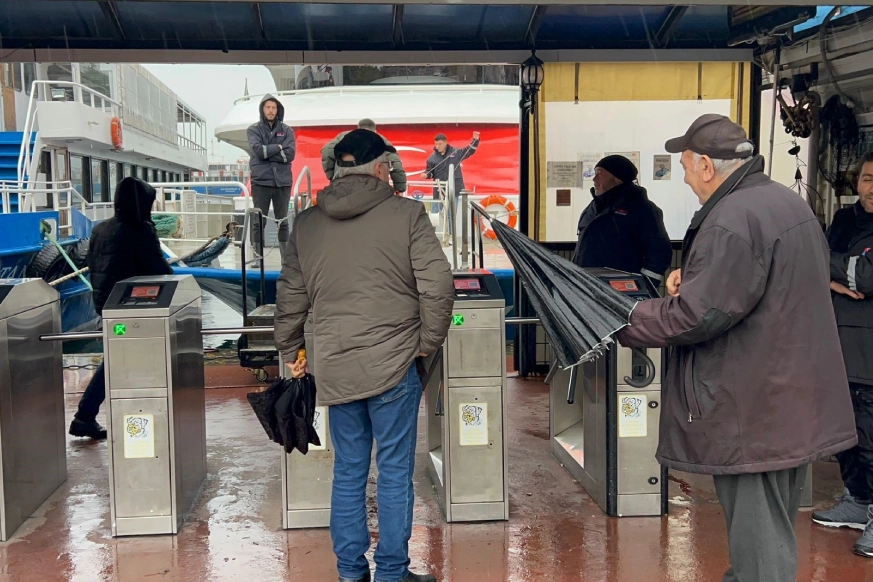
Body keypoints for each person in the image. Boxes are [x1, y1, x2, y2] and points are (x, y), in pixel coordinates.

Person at [616, 114, 857, 581]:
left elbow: (700, 316)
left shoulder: (731, 219)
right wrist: (695, 281)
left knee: (761, 550)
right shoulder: (787, 204)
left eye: (685, 167)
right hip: (789, 403)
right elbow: (765, 287)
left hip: (753, 411)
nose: (684, 178)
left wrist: (624, 320)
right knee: (770, 530)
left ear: (707, 166)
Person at [274, 129, 454, 582]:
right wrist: (425, 345)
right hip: (395, 366)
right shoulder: (408, 214)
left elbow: (290, 298)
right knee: (394, 473)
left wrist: (291, 348)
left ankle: (351, 573)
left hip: (336, 367)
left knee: (349, 473)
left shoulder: (308, 224)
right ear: (380, 167)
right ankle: (392, 573)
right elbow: (438, 288)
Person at [69, 177, 173, 440]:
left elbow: (93, 264)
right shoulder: (139, 230)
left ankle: (86, 415)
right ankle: (131, 421)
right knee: (123, 360)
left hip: (105, 303)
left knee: (116, 357)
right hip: (134, 307)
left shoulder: (100, 229)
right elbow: (159, 269)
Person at [812, 151, 873, 558]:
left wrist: (832, 268)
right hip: (841, 345)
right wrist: (832, 274)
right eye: (868, 178)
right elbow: (814, 260)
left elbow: (867, 276)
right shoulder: (845, 220)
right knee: (848, 431)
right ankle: (859, 499)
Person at [571, 154, 672, 282]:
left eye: (600, 174)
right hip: (587, 288)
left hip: (621, 293)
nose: (594, 179)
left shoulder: (643, 210)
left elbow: (659, 253)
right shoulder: (592, 208)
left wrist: (643, 285)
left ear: (617, 179)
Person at [246, 94, 296, 257]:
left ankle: (285, 259)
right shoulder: (253, 130)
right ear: (262, 109)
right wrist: (279, 147)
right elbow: (259, 152)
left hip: (282, 182)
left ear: (278, 110)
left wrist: (269, 151)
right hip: (261, 182)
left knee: (283, 222)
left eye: (273, 107)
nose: (271, 110)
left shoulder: (287, 130)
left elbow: (290, 154)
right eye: (268, 107)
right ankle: (257, 258)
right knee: (259, 221)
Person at [321, 118, 407, 194]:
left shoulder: (345, 136)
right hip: (372, 182)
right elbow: (395, 163)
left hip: (343, 179)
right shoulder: (379, 138)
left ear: (358, 127)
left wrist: (332, 176)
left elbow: (327, 150)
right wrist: (399, 187)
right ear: (375, 130)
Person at [425, 132, 480, 215]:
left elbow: (469, 151)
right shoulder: (431, 158)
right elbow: (430, 172)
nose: (438, 146)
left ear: (446, 142)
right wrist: (426, 175)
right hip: (438, 191)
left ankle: (451, 228)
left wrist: (475, 140)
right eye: (436, 144)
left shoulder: (456, 152)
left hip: (453, 190)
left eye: (440, 144)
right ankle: (432, 229)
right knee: (434, 215)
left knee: (451, 216)